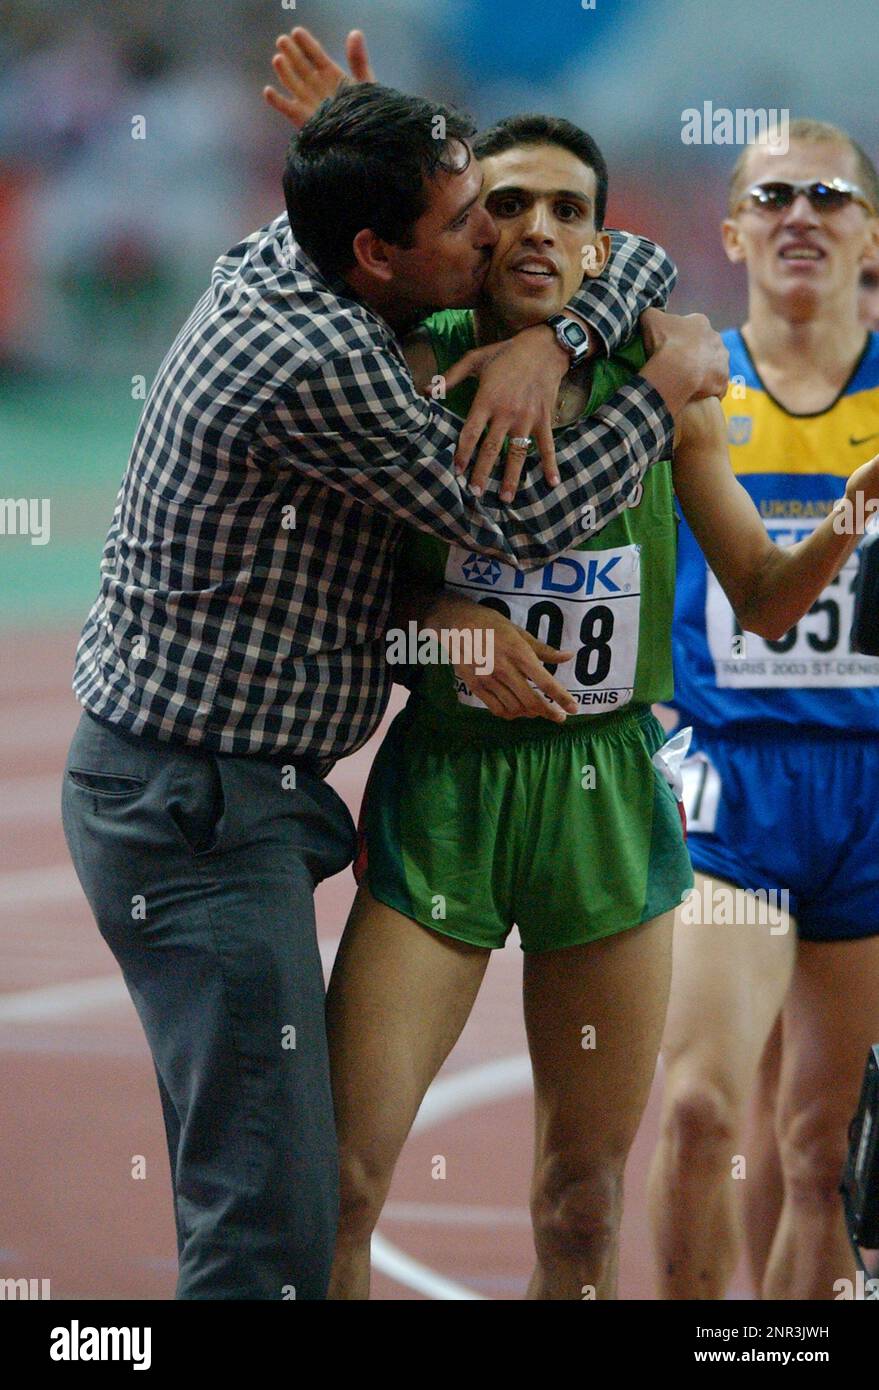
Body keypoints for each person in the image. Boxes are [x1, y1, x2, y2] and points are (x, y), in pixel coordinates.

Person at [61, 80, 723, 1301]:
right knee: (288, 1205)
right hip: (212, 802)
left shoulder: (306, 253)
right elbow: (508, 517)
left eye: (542, 210)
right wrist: (658, 396)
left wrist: (563, 338)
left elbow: (633, 253)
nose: (506, 236)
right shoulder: (344, 359)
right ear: (377, 255)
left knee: (528, 1196)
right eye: (477, 213)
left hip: (539, 792)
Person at [263, 44, 879, 1298]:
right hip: (446, 792)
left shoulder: (670, 377)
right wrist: (442, 618)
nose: (538, 226)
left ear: (605, 242)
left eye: (571, 209)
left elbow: (762, 597)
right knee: (343, 1176)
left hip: (604, 791)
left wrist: (844, 524)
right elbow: (339, 595)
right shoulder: (405, 362)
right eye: (507, 204)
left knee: (582, 1201)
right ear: (466, 229)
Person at [648, 119, 879, 1301]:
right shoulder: (694, 388)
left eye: (831, 194)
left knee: (818, 1151)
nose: (803, 213)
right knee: (697, 1105)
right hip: (730, 779)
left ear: (870, 234)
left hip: (871, 792)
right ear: (732, 230)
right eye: (773, 194)